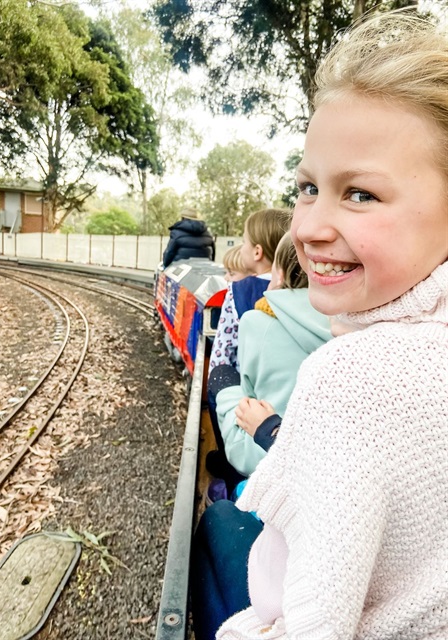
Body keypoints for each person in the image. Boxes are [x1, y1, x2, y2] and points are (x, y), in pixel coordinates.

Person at [212, 11, 448, 640]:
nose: (307, 228)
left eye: (361, 194)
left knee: (216, 528)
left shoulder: (350, 379)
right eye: (308, 187)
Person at [215, 232, 332, 477]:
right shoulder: (350, 322)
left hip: (263, 447)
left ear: (278, 273)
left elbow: (249, 394)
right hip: (321, 456)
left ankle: (225, 473)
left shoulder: (258, 320)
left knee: (222, 376)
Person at [209, 208, 292, 374]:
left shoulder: (237, 291)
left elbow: (223, 352)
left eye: (244, 241)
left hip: (245, 390)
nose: (241, 247)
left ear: (257, 252)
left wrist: (219, 394)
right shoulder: (300, 289)